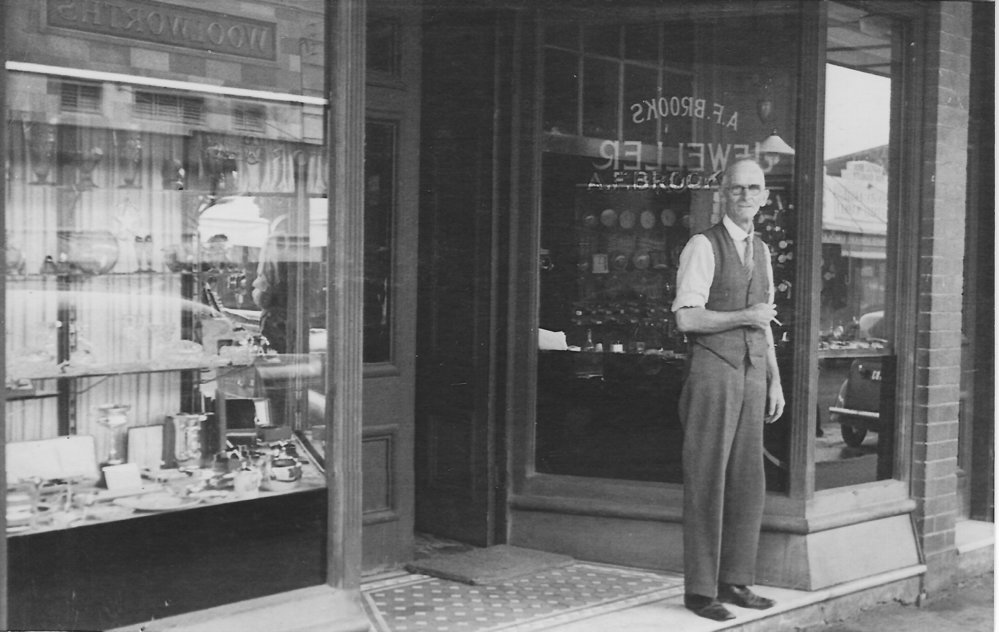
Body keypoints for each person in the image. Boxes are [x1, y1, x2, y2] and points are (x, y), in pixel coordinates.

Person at [671, 158, 785, 621]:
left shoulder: (763, 251)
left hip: (753, 374)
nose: (745, 196)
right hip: (713, 372)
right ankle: (700, 591)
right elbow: (686, 317)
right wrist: (742, 318)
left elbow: (766, 323)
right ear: (723, 194)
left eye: (753, 189)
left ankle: (735, 580)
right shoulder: (703, 245)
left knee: (746, 482)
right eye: (736, 189)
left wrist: (775, 379)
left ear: (764, 197)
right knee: (706, 478)